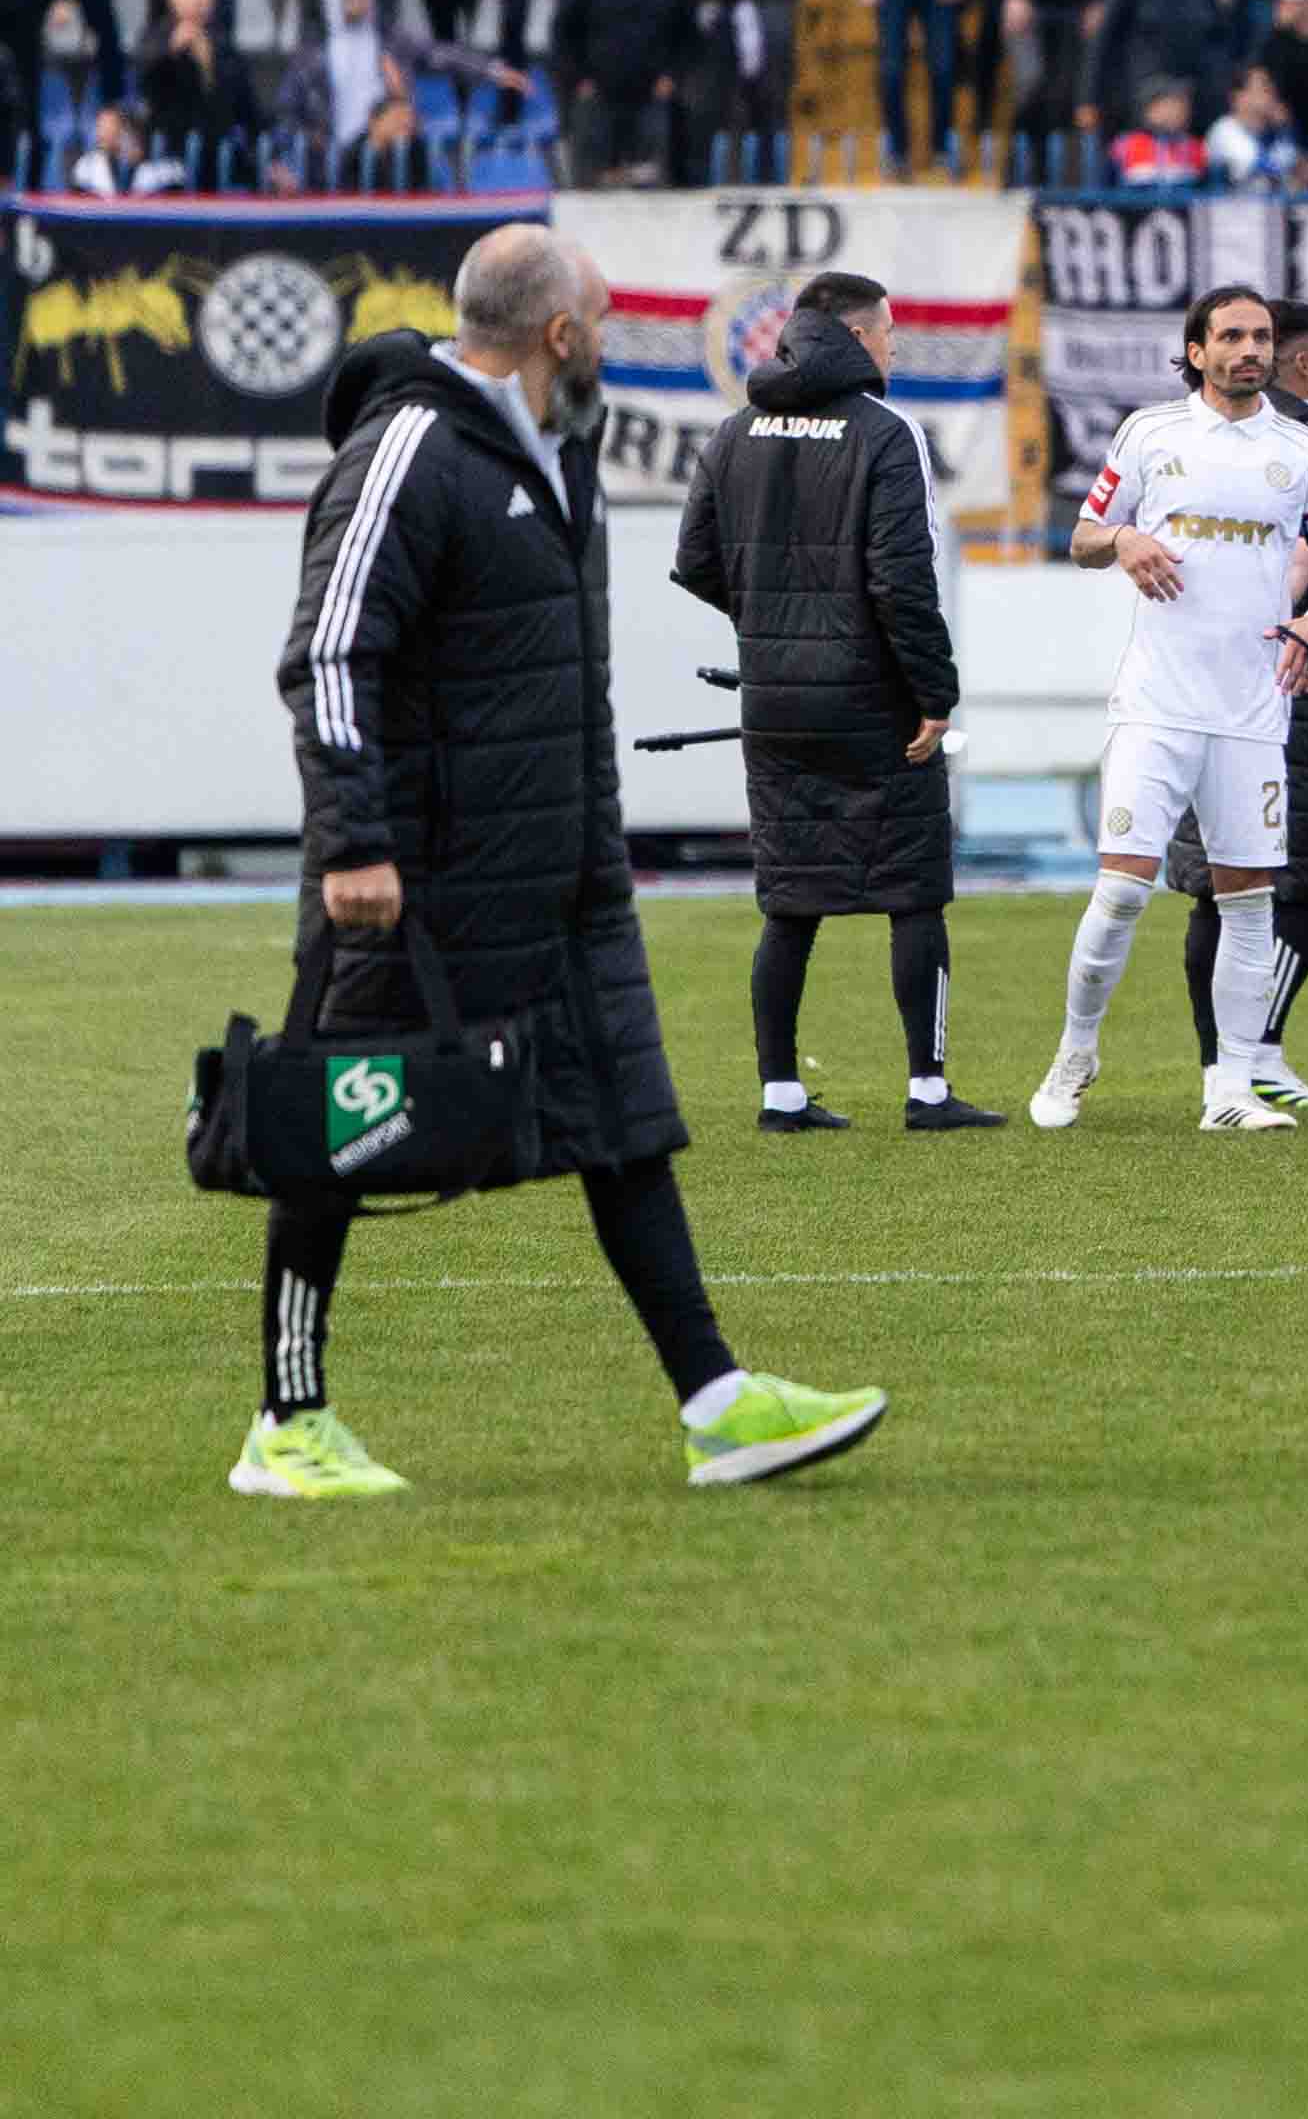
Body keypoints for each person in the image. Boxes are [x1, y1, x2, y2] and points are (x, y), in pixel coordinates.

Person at [239, 224, 885, 1500]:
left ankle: (717, 1401)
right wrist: (353, 843)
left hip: (566, 872)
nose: (610, 336)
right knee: (336, 1132)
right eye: (602, 313)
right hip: (423, 886)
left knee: (624, 1123)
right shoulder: (413, 448)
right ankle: (285, 1421)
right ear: (561, 334)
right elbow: (328, 657)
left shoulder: (555, 445)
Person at [666, 269, 987, 1133]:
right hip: (874, 697)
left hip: (773, 700)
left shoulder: (734, 430)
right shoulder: (888, 433)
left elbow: (694, 560)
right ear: (851, 336)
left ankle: (780, 1093)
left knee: (791, 899)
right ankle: (926, 1090)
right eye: (885, 331)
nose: (893, 346)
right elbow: (902, 579)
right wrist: (935, 691)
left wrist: (778, 627)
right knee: (914, 892)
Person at [1037, 285, 1308, 1134]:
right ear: (1196, 350)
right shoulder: (1151, 434)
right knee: (1121, 892)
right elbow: (1081, 538)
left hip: (1253, 713)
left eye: (1258, 336)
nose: (1248, 349)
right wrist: (1126, 539)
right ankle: (1075, 1053)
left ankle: (1229, 1089)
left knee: (1248, 901)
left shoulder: (1303, 451)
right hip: (1156, 707)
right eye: (1229, 337)